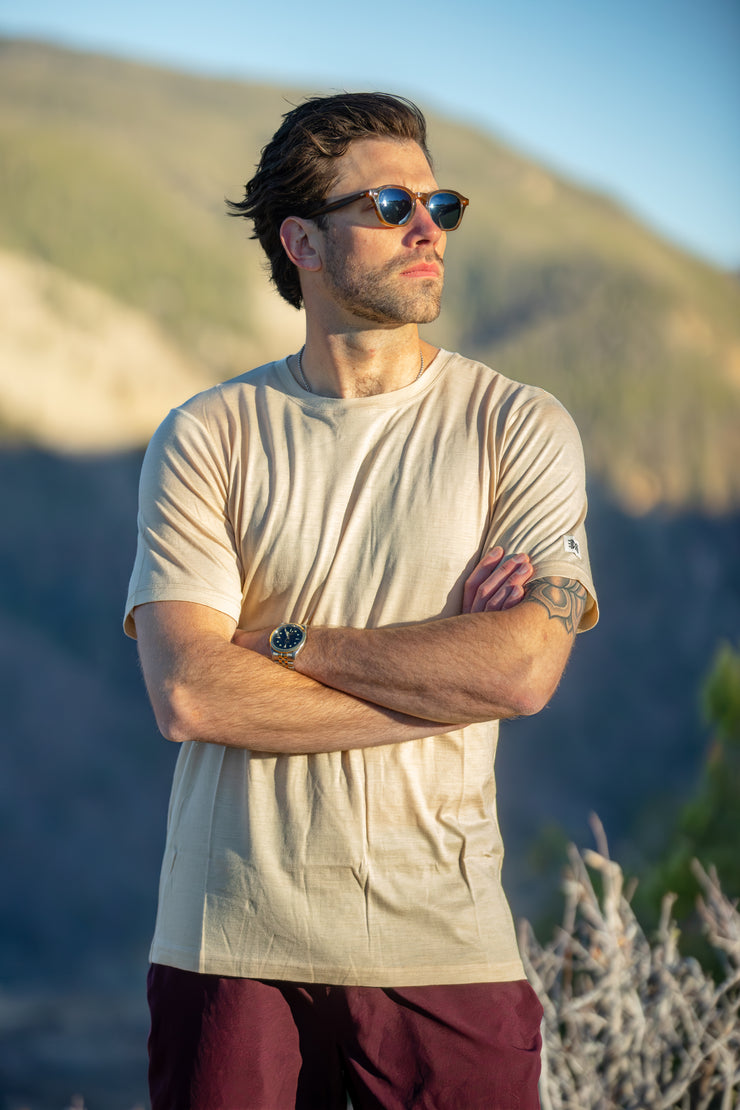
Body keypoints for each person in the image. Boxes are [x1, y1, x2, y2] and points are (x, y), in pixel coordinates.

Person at [125, 92, 598, 1110]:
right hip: (227, 945)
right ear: (300, 239)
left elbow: (520, 669)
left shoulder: (515, 426)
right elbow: (193, 698)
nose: (427, 229)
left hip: (443, 946)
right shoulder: (207, 435)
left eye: (439, 205)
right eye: (388, 205)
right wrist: (444, 679)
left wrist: (286, 643)